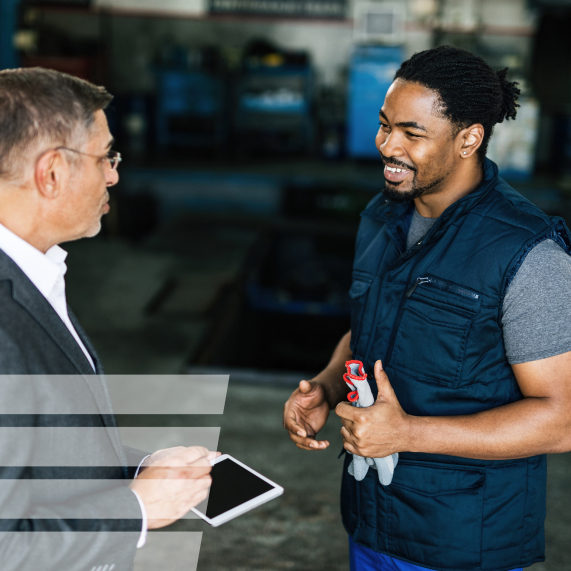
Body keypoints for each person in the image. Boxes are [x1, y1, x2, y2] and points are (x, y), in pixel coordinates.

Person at [283, 45, 571, 571]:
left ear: (469, 138)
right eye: (384, 124)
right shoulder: (381, 217)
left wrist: (408, 433)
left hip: (462, 540)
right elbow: (371, 328)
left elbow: (561, 420)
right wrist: (325, 385)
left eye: (412, 133)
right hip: (372, 517)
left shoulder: (526, 253)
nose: (387, 146)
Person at [0, 67, 215, 570]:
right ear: (51, 173)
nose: (115, 174)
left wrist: (140, 467)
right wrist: (137, 507)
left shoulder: (34, 271)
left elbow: (32, 442)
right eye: (106, 157)